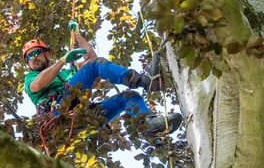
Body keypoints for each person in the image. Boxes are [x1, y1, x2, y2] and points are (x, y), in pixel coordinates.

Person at [22, 19, 182, 136]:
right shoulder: (31, 77)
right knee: (93, 67)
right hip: (58, 114)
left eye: (36, 53)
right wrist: (64, 60)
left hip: (84, 117)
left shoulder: (65, 76)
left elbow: (92, 58)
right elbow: (37, 85)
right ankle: (145, 82)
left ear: (46, 54)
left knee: (129, 97)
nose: (33, 58)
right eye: (29, 57)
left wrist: (77, 35)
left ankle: (148, 123)